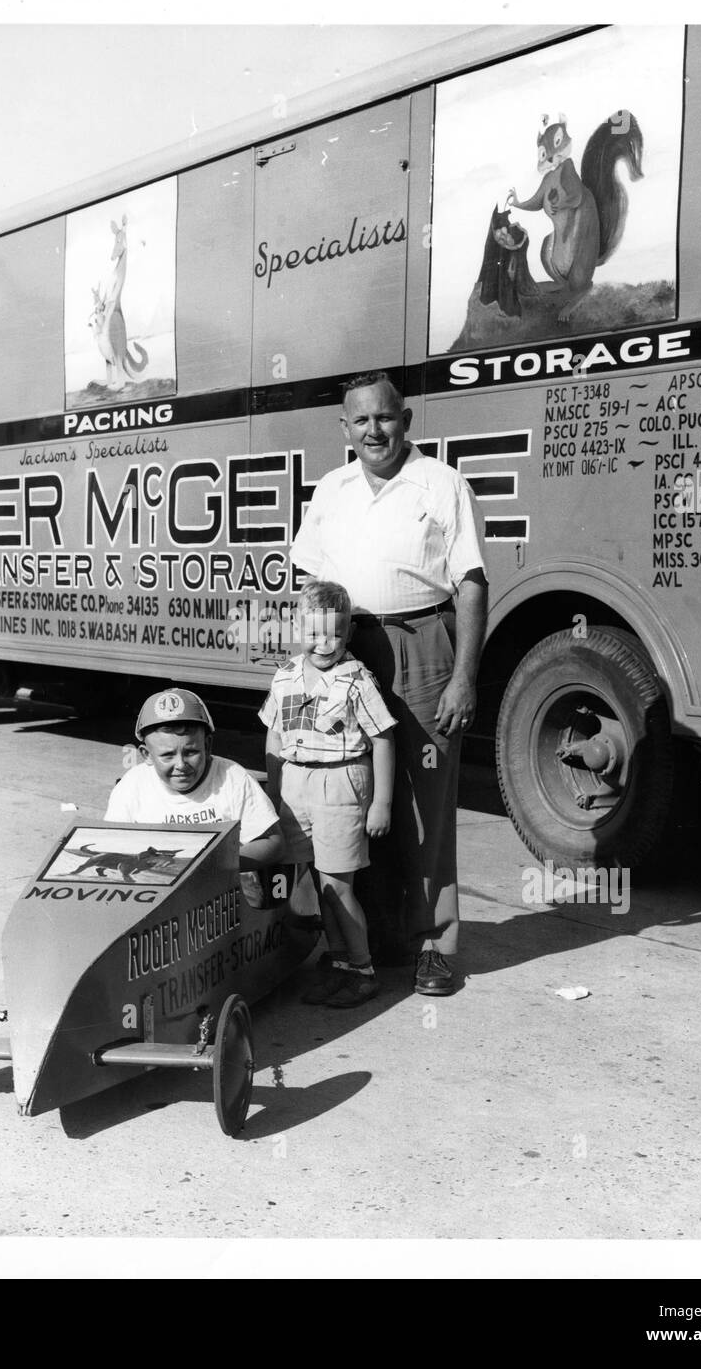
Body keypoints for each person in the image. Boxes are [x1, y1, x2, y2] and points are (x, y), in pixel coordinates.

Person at [288, 371, 488, 997]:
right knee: (353, 794)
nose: (374, 430)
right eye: (360, 421)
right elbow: (310, 583)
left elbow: (473, 584)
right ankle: (367, 944)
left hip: (422, 644)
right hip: (348, 650)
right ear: (343, 429)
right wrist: (307, 664)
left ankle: (435, 945)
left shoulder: (443, 484)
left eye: (385, 417)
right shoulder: (332, 488)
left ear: (407, 419)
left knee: (423, 799)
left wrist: (463, 677)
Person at [260, 580, 396, 1008]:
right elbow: (274, 736)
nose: (325, 643)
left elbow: (384, 739)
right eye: (315, 633)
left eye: (336, 634)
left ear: (349, 634)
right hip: (296, 785)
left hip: (340, 784)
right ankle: (338, 965)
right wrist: (275, 790)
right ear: (299, 627)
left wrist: (382, 802)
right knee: (320, 884)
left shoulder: (355, 679)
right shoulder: (285, 676)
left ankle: (363, 969)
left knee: (338, 886)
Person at [105, 687, 283, 903]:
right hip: (157, 889)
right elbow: (114, 843)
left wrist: (217, 864)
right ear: (146, 755)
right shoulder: (133, 784)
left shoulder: (233, 777)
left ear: (207, 746)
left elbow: (274, 843)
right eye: (167, 755)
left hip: (227, 883)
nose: (181, 765)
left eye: (191, 752)